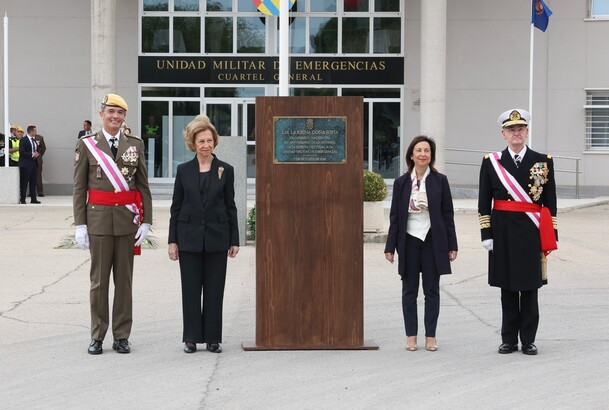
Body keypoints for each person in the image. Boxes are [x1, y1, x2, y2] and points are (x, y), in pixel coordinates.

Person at [73, 93, 153, 355]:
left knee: (124, 282)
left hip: (126, 223)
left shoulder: (135, 144)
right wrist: (80, 225)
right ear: (102, 115)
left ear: (124, 117)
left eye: (120, 113)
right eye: (110, 112)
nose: (115, 117)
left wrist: (146, 221)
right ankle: (97, 335)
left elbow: (142, 184)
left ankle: (121, 336)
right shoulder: (87, 145)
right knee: (98, 283)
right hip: (98, 221)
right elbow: (79, 188)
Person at [478, 109, 557, 356]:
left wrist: (551, 236)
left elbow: (550, 203)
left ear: (527, 132)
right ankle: (509, 339)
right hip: (502, 231)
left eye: (520, 129)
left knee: (530, 288)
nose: (516, 134)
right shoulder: (491, 162)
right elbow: (484, 202)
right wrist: (486, 233)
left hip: (531, 232)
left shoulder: (543, 161)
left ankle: (529, 339)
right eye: (511, 130)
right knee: (508, 288)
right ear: (503, 134)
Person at [168, 114, 239, 354]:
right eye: (201, 141)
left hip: (218, 239)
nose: (206, 145)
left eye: (209, 140)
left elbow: (231, 206)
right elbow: (176, 208)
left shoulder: (225, 170)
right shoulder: (184, 170)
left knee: (214, 290)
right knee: (190, 290)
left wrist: (234, 240)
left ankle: (212, 339)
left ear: (215, 142)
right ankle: (191, 338)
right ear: (193, 144)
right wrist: (172, 241)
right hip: (188, 239)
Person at [384, 135, 458, 352]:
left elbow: (448, 215)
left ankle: (431, 336)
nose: (423, 154)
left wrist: (452, 245)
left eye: (427, 151)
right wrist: (390, 247)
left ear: (431, 156)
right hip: (408, 241)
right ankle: (411, 336)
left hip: (432, 240)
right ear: (411, 155)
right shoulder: (401, 183)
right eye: (419, 150)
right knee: (409, 291)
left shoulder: (440, 181)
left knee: (431, 290)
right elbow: (395, 217)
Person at [18, 125, 41, 204]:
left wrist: (37, 153)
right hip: (26, 164)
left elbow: (38, 149)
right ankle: (23, 199)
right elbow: (22, 151)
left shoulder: (34, 140)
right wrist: (31, 154)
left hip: (34, 163)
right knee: (24, 181)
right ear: (31, 131)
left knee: (33, 181)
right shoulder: (24, 140)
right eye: (35, 131)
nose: (36, 132)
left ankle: (33, 199)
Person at [33, 131, 46, 197]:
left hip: (38, 160)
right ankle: (31, 192)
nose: (34, 132)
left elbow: (43, 148)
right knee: (30, 176)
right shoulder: (27, 138)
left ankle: (40, 192)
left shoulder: (39, 138)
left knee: (38, 176)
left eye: (35, 130)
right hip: (30, 159)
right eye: (33, 130)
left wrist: (39, 155)